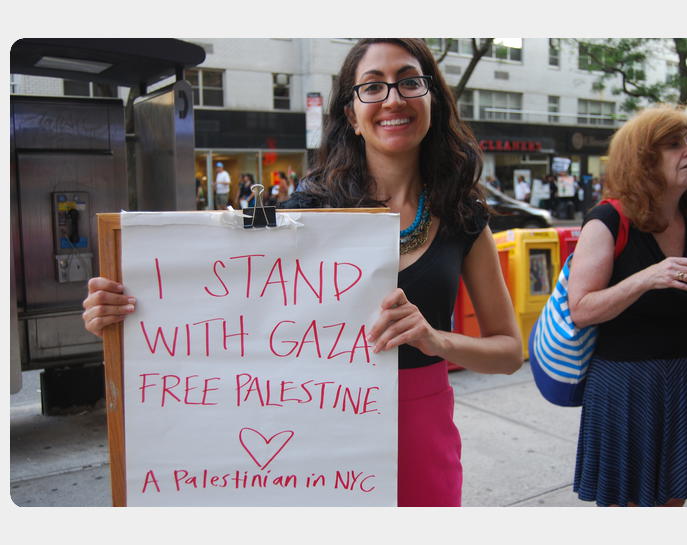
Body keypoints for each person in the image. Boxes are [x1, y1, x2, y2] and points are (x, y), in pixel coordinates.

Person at [81, 38, 523, 507]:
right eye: (373, 86)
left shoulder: (463, 215)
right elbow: (217, 271)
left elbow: (509, 351)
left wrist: (437, 341)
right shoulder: (303, 211)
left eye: (409, 81)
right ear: (351, 114)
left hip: (422, 441)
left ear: (431, 98)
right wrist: (125, 308)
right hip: (317, 435)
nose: (393, 99)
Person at [567, 104, 687, 507]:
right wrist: (647, 278)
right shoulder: (607, 220)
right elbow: (582, 309)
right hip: (629, 391)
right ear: (643, 159)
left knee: (673, 503)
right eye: (675, 144)